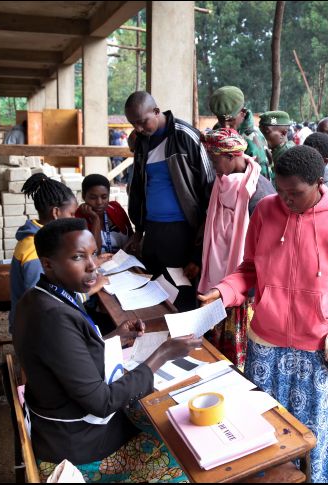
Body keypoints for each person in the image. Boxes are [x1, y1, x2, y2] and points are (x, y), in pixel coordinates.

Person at [197, 146, 328, 483]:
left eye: (295, 193)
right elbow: (249, 271)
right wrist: (224, 292)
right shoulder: (264, 210)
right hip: (266, 342)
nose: (286, 200)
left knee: (313, 426)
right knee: (264, 423)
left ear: (319, 183)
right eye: (281, 190)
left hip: (317, 345)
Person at [13, 218, 200, 482]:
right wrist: (162, 353)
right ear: (47, 264)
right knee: (183, 460)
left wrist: (115, 336)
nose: (93, 266)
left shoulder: (38, 297)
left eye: (94, 254)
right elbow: (102, 402)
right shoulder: (52, 318)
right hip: (78, 449)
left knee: (162, 421)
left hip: (64, 426)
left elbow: (67, 355)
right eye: (78, 257)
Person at [124, 91, 214, 312]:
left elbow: (209, 187)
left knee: (180, 294)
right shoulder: (142, 142)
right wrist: (138, 231)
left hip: (182, 232)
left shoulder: (185, 136)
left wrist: (198, 250)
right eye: (133, 124)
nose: (138, 129)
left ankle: (184, 343)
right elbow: (138, 188)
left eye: (142, 122)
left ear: (156, 111)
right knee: (155, 290)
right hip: (153, 231)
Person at [198, 128, 275, 367]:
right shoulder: (221, 183)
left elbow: (267, 247)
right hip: (221, 278)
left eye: (214, 159)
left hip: (247, 285)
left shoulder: (259, 192)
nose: (213, 166)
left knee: (243, 355)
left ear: (231, 156)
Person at [10, 173, 90, 334]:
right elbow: (41, 301)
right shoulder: (34, 248)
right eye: (72, 214)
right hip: (36, 331)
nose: (74, 219)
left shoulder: (43, 238)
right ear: (56, 213)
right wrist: (89, 291)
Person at [208, 86, 270, 180]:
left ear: (243, 113)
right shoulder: (218, 130)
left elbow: (262, 182)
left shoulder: (253, 140)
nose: (225, 126)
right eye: (221, 120)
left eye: (231, 120)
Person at [76, 174, 134, 255]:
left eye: (104, 197)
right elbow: (94, 253)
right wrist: (95, 220)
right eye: (93, 197)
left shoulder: (116, 208)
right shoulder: (77, 217)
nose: (99, 202)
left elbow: (132, 236)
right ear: (83, 196)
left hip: (122, 263)